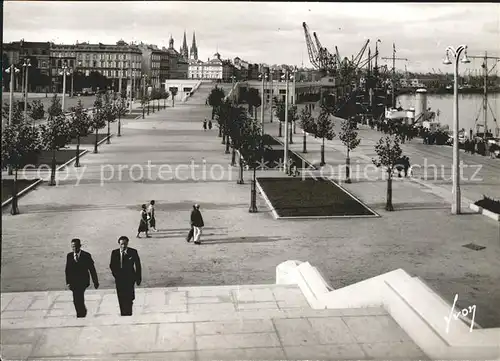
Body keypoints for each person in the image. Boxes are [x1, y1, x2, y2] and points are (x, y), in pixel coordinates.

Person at [65, 238, 99, 318]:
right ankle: (82, 312)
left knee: (78, 297)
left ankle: (81, 314)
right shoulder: (69, 256)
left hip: (83, 281)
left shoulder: (86, 255)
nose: (74, 248)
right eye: (73, 246)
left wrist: (95, 282)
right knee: (76, 300)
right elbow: (67, 270)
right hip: (73, 281)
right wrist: (68, 282)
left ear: (80, 246)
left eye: (76, 246)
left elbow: (92, 269)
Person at [109, 236, 142, 316]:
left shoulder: (133, 252)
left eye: (125, 244)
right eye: (121, 244)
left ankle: (129, 312)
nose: (123, 246)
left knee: (129, 297)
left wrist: (138, 278)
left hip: (130, 278)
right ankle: (123, 313)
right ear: (119, 244)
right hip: (119, 279)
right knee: (121, 296)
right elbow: (112, 265)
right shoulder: (115, 253)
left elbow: (138, 265)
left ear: (127, 243)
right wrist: (116, 275)